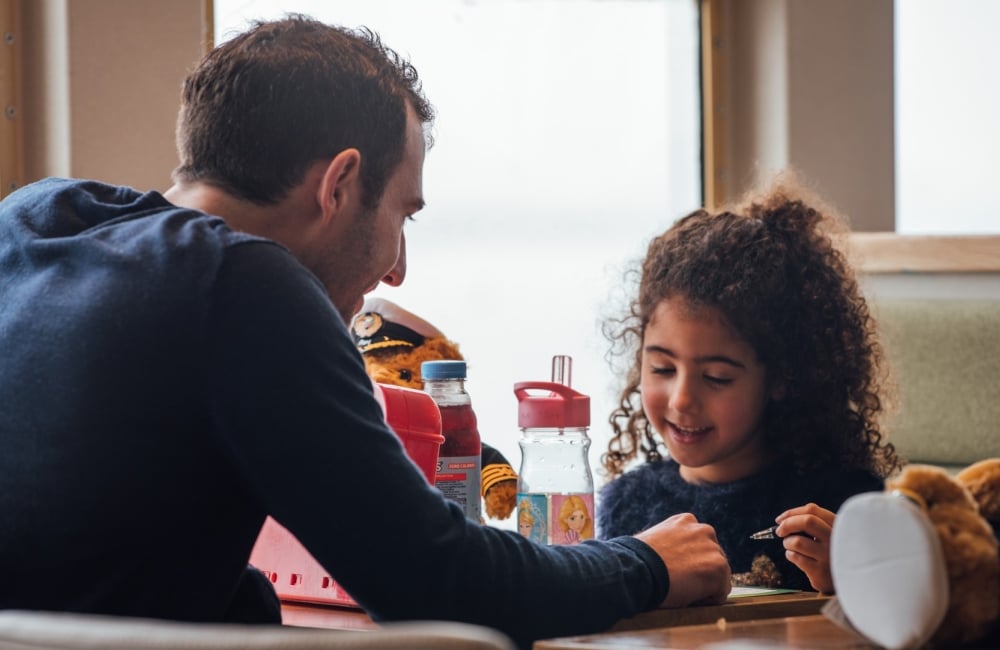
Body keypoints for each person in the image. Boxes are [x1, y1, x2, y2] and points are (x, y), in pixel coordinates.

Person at [0, 14, 730, 650]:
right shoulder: (244, 282)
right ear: (340, 184)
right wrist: (645, 562)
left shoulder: (34, 222)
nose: (398, 270)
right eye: (403, 216)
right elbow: (446, 583)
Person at [596, 175, 902, 594]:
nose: (682, 399)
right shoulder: (627, 504)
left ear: (780, 377)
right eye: (663, 369)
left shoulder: (845, 501)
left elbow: (900, 621)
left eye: (717, 377)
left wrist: (847, 580)